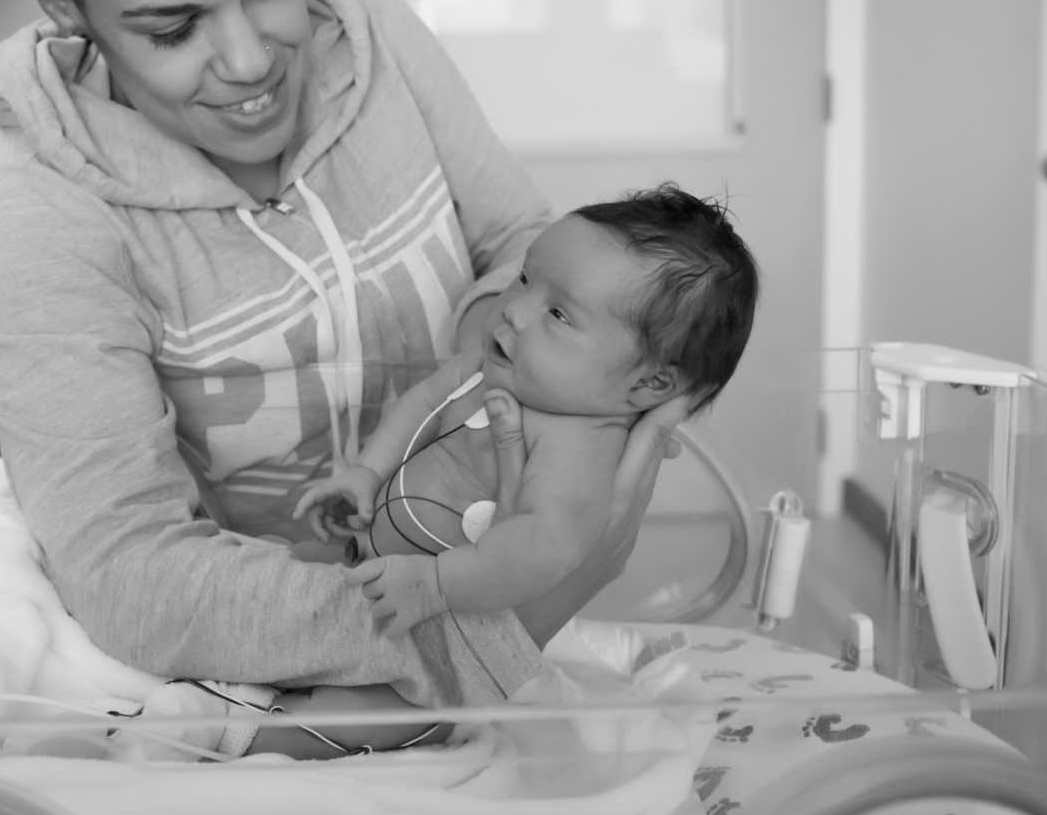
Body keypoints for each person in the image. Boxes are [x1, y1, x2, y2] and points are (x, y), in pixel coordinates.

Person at [0, 0, 690, 761]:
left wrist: (555, 464)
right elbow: (131, 575)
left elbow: (517, 244)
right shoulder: (37, 204)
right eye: (173, 27)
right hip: (264, 703)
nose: (251, 58)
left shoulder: (370, 28)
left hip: (475, 627)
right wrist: (465, 617)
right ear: (61, 6)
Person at [293, 186, 760, 648]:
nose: (514, 310)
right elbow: (420, 403)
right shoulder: (488, 364)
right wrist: (366, 473)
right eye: (523, 278)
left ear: (648, 385)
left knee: (360, 708)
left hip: (429, 627)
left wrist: (434, 584)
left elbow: (546, 546)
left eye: (558, 314)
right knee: (278, 581)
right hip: (365, 563)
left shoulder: (579, 445)